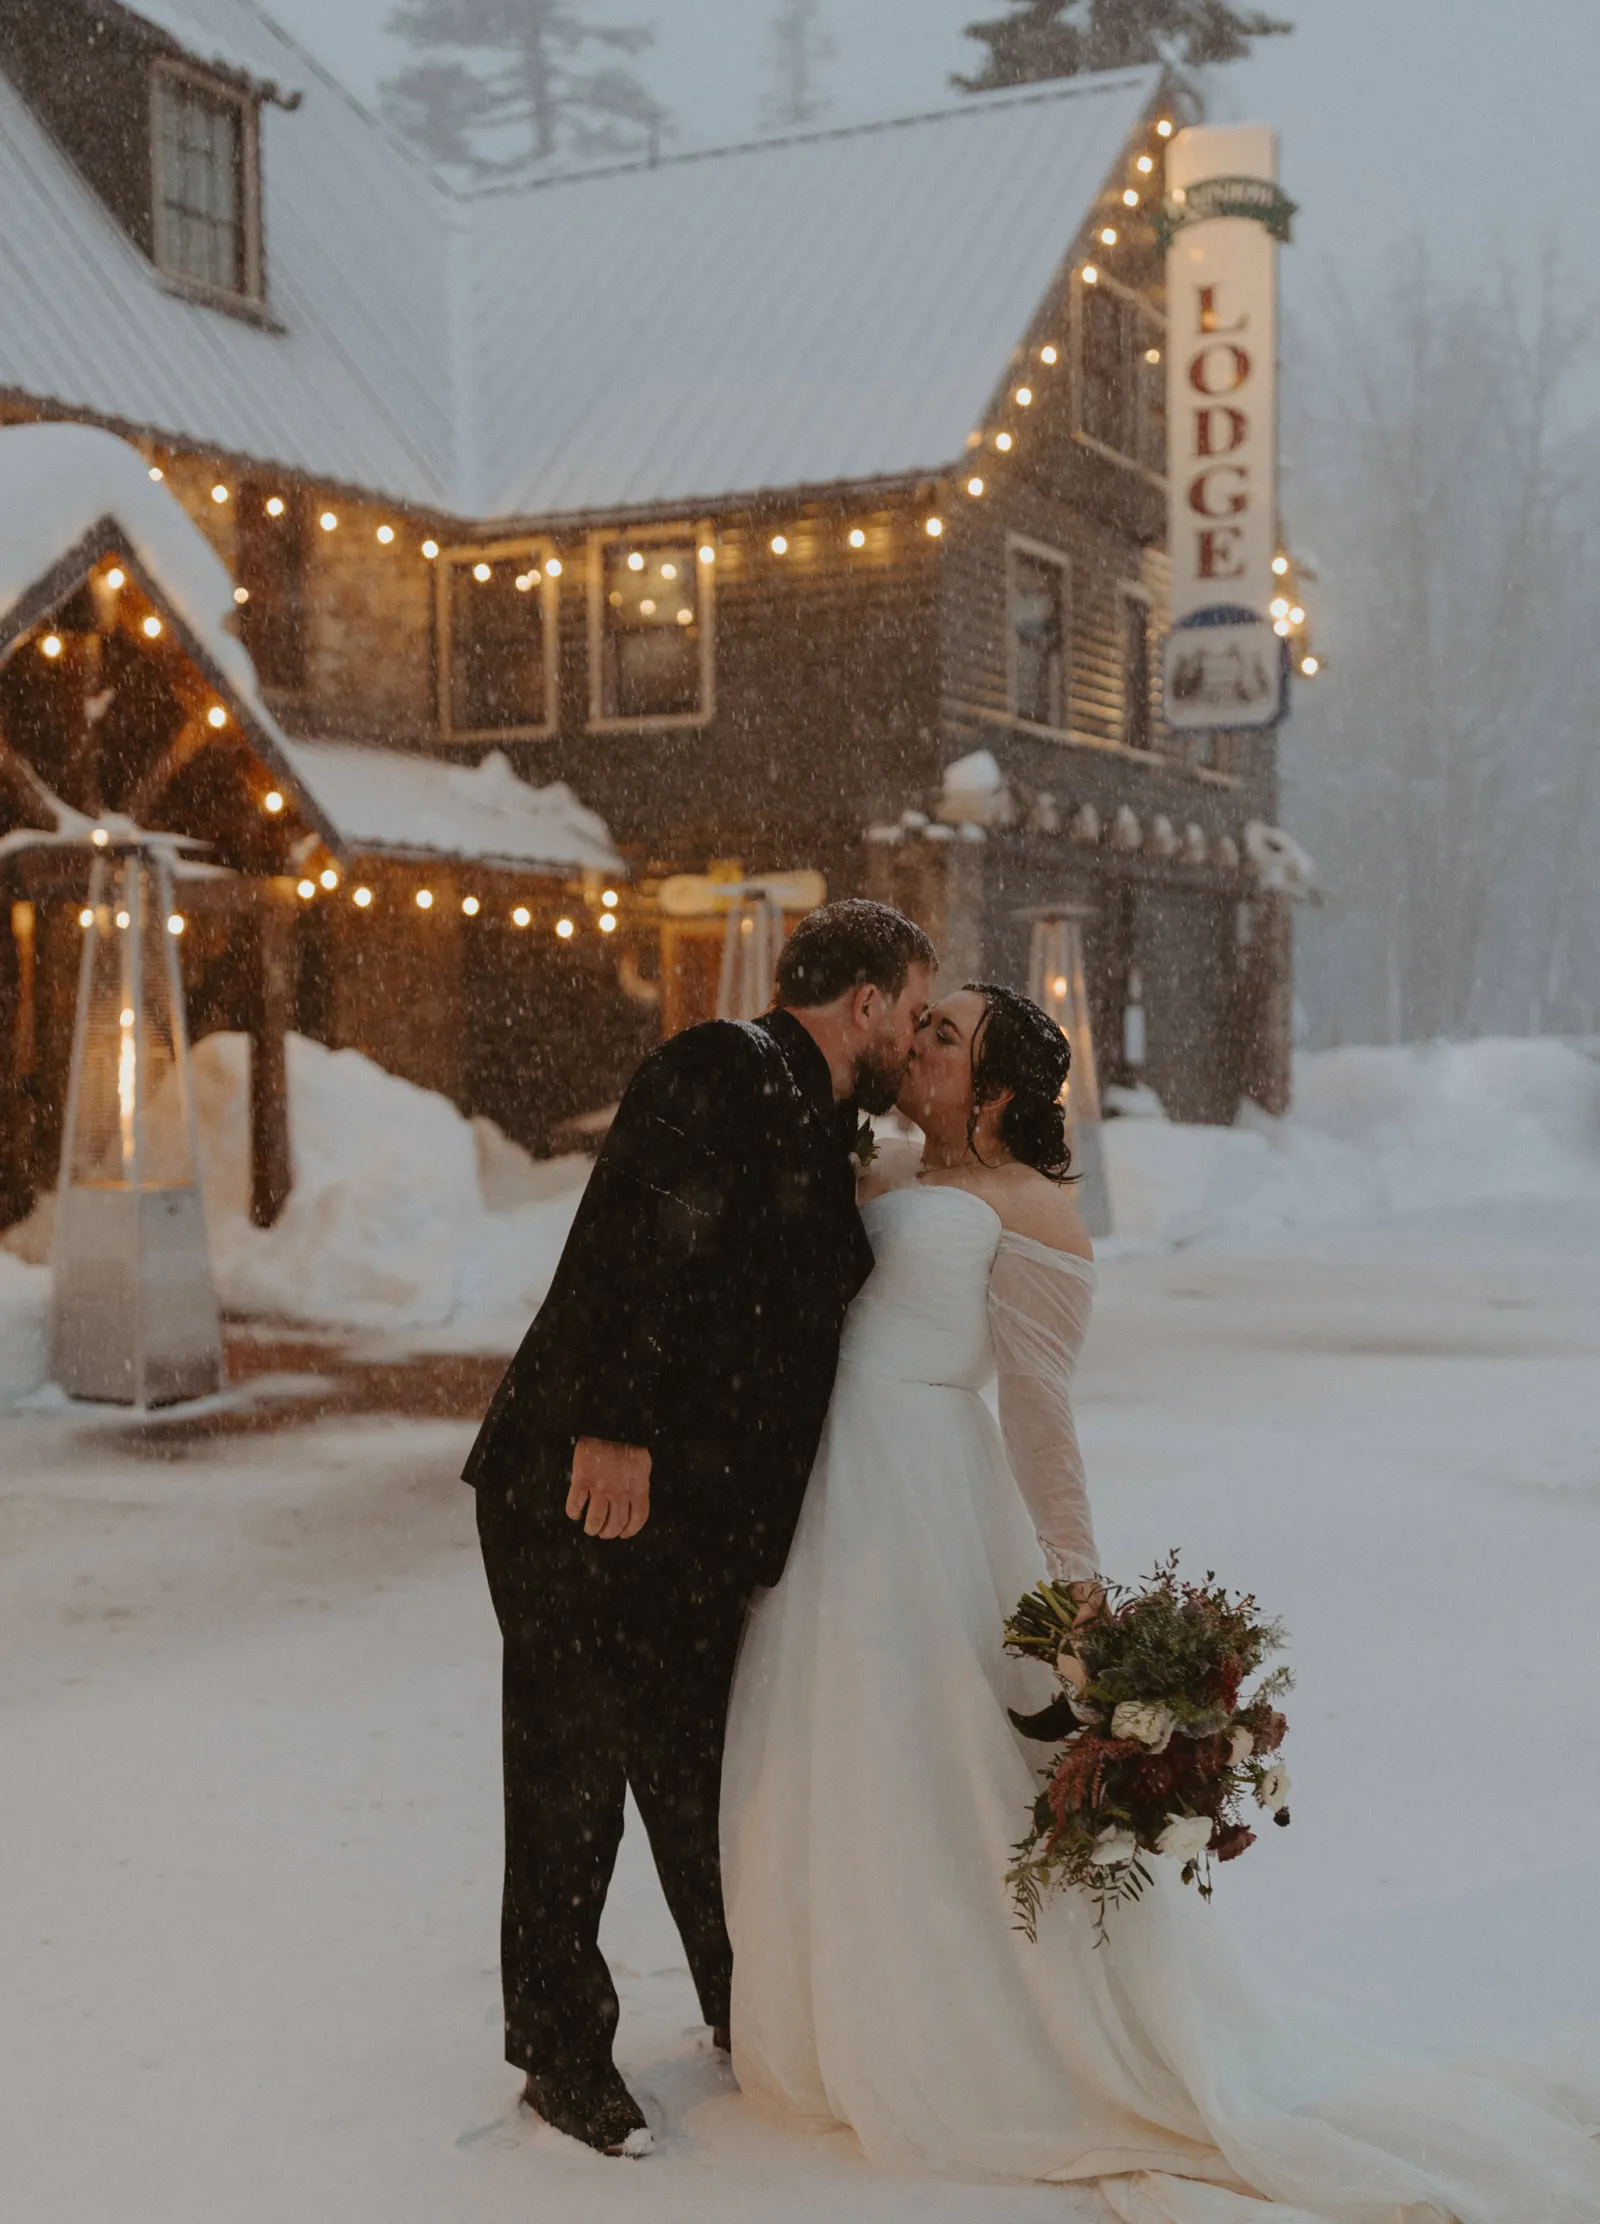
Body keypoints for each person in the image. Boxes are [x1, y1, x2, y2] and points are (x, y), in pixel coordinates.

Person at [721, 984, 1600, 2222]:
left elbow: (1038, 1413)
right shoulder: (868, 1170)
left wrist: (1081, 1593)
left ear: (1001, 1090)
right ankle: (838, 2001)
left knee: (934, 1764)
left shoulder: (1030, 1213)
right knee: (846, 1756)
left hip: (919, 1495)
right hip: (830, 1487)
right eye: (918, 1026)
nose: (915, 1046)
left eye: (944, 1038)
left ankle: (961, 2031)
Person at [463, 898, 936, 2158]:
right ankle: (562, 2053)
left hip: (680, 1521)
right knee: (571, 1776)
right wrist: (612, 1428)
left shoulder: (819, 1114)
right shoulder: (719, 1064)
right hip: (582, 1485)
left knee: (691, 1770)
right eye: (913, 1007)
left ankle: (741, 2003)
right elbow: (636, 1240)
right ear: (866, 1003)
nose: (916, 1033)